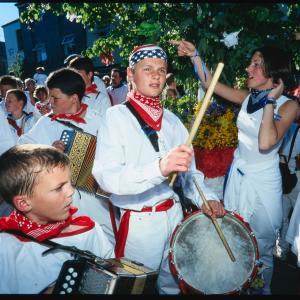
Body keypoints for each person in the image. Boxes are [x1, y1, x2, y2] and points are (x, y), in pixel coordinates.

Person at [92, 44, 226, 294]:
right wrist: (159, 168)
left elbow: (190, 175)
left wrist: (207, 198)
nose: (156, 75)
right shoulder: (116, 117)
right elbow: (107, 177)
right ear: (131, 74)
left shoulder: (173, 121)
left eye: (161, 70)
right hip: (141, 224)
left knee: (173, 286)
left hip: (175, 217)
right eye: (147, 69)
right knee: (134, 290)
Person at [172, 39, 300, 294]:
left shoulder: (289, 106)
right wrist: (195, 55)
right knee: (237, 238)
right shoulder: (248, 97)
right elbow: (210, 83)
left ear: (273, 73)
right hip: (238, 179)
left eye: (256, 65)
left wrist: (270, 102)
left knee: (261, 249)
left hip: (263, 184)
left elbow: (266, 143)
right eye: (251, 63)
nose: (248, 69)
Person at [18, 68, 115, 245]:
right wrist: (47, 152)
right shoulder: (47, 123)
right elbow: (19, 152)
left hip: (98, 203)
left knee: (104, 245)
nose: (50, 102)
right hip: (61, 203)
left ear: (74, 98)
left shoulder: (99, 121)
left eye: (55, 98)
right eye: (49, 96)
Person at [0, 144, 114, 294]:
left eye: (69, 183)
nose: (71, 192)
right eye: (58, 188)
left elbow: (112, 275)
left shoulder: (87, 231)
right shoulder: (5, 246)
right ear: (24, 203)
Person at [274, 119, 300, 260]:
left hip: (282, 176)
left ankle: (282, 249)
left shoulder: (282, 126)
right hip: (293, 177)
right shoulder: (295, 129)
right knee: (293, 217)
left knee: (282, 216)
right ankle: (288, 249)